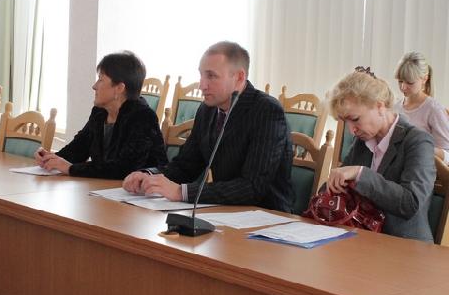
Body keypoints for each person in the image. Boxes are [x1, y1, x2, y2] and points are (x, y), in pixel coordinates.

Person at [123, 41, 294, 212]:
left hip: (267, 216)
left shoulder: (267, 110)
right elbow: (186, 166)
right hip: (222, 212)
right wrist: (149, 176)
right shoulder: (207, 110)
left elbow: (252, 186)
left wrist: (181, 192)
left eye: (211, 76)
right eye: (201, 75)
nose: (202, 85)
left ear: (239, 77)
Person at [327, 67, 436, 242]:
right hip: (363, 240)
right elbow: (338, 188)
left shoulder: (418, 141)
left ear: (379, 106)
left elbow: (411, 203)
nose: (351, 130)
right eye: (345, 122)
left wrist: (361, 174)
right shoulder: (362, 141)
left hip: (404, 246)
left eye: (355, 119)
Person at [34, 51, 167, 179]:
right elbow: (78, 149)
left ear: (119, 88)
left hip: (139, 192)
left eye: (100, 80)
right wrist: (50, 158)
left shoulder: (143, 117)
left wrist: (71, 168)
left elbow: (124, 168)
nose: (94, 86)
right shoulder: (99, 112)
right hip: (103, 188)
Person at [394, 51, 449, 164]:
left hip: (420, 169)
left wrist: (421, 146)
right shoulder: (395, 107)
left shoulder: (434, 109)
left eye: (410, 83)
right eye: (400, 81)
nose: (403, 87)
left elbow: (447, 155)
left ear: (424, 79)